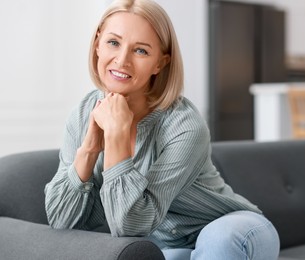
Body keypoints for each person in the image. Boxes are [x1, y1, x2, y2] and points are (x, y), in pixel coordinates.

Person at [44, 0, 280, 259]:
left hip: (231, 228)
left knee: (218, 241)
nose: (122, 60)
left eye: (141, 51)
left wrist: (117, 137)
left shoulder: (184, 124)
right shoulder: (82, 114)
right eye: (113, 42)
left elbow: (129, 224)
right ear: (98, 44)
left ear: (160, 63)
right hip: (165, 245)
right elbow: (60, 221)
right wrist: (89, 149)